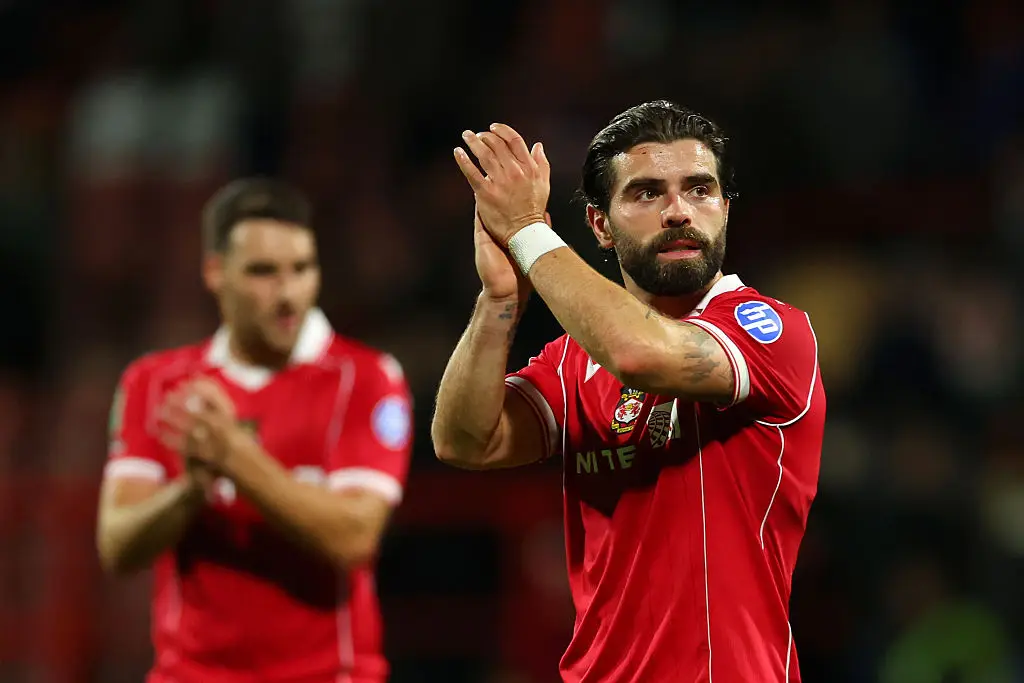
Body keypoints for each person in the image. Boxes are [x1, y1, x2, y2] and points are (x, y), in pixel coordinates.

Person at [433, 100, 825, 682]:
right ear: (599, 225)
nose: (677, 212)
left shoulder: (769, 330)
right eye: (646, 193)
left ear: (724, 209)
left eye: (699, 190)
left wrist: (527, 232)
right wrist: (499, 300)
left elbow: (639, 353)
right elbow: (465, 441)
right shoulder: (572, 360)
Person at [96, 178, 413, 683]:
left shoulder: (368, 379)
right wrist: (189, 492)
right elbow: (117, 544)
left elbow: (356, 536)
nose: (288, 294)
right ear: (215, 272)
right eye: (264, 272)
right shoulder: (156, 383)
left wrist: (233, 457)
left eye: (301, 269)